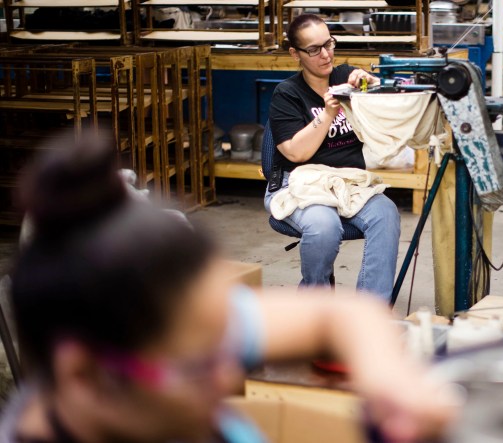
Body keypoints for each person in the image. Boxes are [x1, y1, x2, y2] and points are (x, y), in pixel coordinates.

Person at [2, 133, 457, 443]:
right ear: (83, 375)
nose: (230, 376)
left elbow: (342, 314)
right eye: (201, 366)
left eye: (226, 342)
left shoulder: (173, 334)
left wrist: (387, 378)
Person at [265, 14, 400, 300]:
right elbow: (295, 152)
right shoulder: (287, 94)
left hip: (348, 183)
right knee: (324, 227)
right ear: (295, 54)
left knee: (386, 214)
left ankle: (370, 311)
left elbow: (388, 109)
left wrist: (372, 84)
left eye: (329, 43)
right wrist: (327, 114)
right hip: (299, 183)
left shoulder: (344, 77)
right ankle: (317, 307)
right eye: (314, 49)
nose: (326, 54)